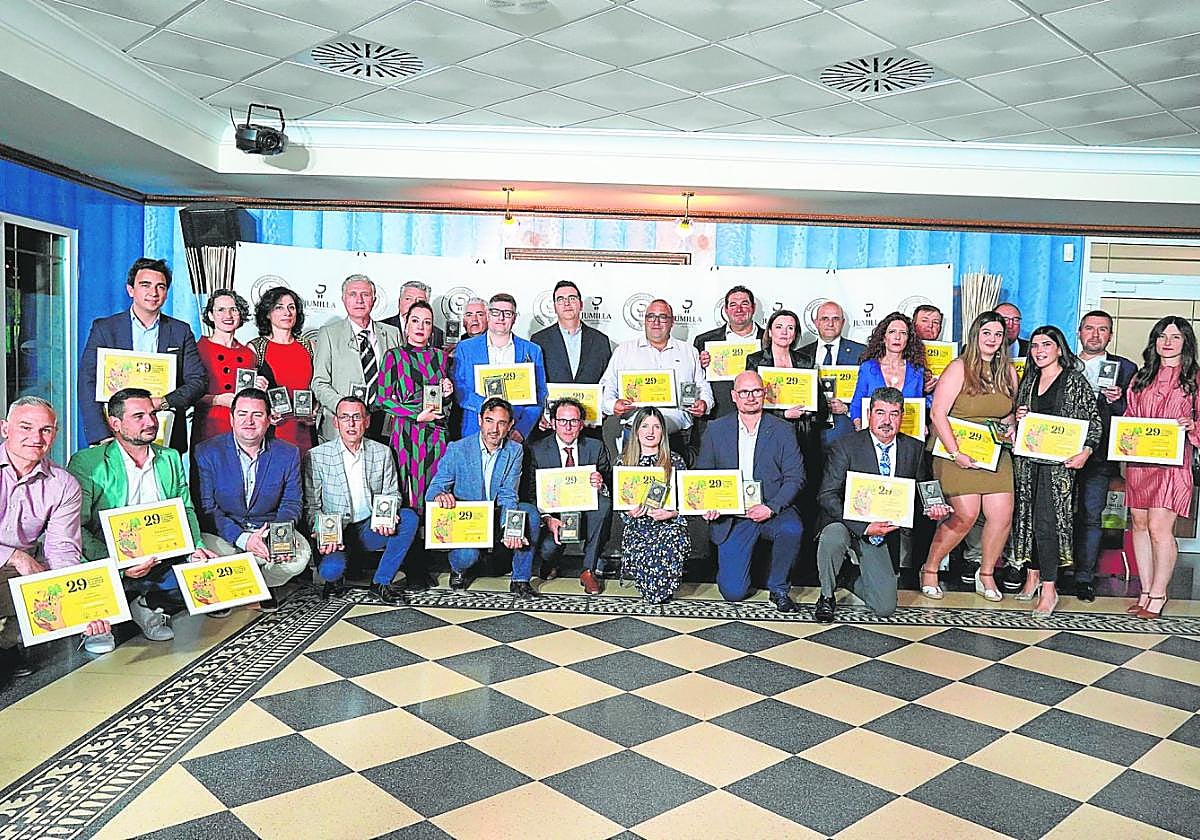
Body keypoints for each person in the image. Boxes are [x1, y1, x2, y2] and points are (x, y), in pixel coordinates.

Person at [69, 389, 214, 650]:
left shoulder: (169, 458)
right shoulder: (87, 463)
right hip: (110, 557)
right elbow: (76, 528)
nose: (150, 422)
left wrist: (197, 546)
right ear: (115, 424)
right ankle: (103, 617)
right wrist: (119, 565)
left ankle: (145, 604)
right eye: (139, 416)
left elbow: (186, 509)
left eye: (153, 413)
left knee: (210, 578)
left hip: (162, 555)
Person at [814, 387, 952, 622]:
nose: (886, 421)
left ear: (902, 417)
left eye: (894, 414)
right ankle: (826, 596)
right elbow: (827, 495)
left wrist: (934, 507)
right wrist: (863, 526)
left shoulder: (914, 448)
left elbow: (921, 491)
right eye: (880, 413)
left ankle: (846, 576)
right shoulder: (846, 446)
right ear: (869, 414)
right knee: (833, 536)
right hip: (847, 523)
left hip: (884, 530)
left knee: (885, 607)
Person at [0, 398, 106, 683]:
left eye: (45, 430)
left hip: (16, 571)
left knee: (47, 579)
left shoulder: (63, 484)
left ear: (55, 435)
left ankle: (8, 646)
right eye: (26, 427)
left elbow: (63, 549)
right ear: (4, 429)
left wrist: (80, 607)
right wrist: (15, 556)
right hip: (15, 561)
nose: (36, 438)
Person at [919, 311, 1017, 602]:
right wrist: (956, 453)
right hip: (955, 449)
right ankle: (931, 567)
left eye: (998, 335)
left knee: (1002, 514)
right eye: (987, 333)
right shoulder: (958, 367)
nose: (992, 339)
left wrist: (1010, 429)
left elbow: (1007, 413)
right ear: (976, 336)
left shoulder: (1008, 372)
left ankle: (985, 574)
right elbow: (938, 413)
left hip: (993, 452)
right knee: (966, 514)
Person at [1010, 326, 1102, 617]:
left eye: (1046, 345)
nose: (1039, 350)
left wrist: (1085, 452)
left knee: (1048, 524)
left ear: (1060, 349)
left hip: (1059, 468)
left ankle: (1050, 589)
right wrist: (1019, 416)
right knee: (1028, 521)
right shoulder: (1030, 379)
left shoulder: (1074, 381)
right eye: (1035, 345)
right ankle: (1032, 576)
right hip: (1028, 465)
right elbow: (1019, 417)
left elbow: (1094, 422)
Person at [696, 370, 805, 612]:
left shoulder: (782, 429)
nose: (750, 397)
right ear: (734, 396)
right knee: (733, 593)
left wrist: (771, 507)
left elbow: (795, 477)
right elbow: (702, 475)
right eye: (744, 392)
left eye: (756, 391)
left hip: (771, 506)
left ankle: (778, 588)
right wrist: (709, 504)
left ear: (764, 393)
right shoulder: (716, 429)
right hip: (733, 515)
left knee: (792, 528)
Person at [193, 388, 309, 611]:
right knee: (203, 556)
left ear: (268, 420)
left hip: (266, 529)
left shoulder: (288, 453)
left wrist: (274, 536)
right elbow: (206, 507)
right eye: (242, 414)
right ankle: (239, 587)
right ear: (231, 418)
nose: (249, 421)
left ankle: (257, 585)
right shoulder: (206, 452)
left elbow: (292, 503)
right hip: (225, 533)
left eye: (257, 415)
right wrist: (242, 539)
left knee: (299, 557)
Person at [77, 258, 206, 453]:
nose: (153, 293)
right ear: (131, 290)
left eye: (160, 287)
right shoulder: (105, 328)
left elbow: (198, 381)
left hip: (165, 432)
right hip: (115, 434)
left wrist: (162, 401)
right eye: (145, 285)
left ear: (166, 293)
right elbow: (87, 381)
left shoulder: (180, 331)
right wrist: (100, 434)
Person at [304, 396, 419, 605]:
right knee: (331, 571)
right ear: (335, 422)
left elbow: (392, 493)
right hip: (337, 532)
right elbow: (312, 506)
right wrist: (320, 530)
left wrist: (389, 516)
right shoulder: (317, 456)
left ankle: (381, 583)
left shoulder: (382, 452)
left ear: (367, 421)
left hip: (370, 528)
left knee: (409, 518)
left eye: (357, 417)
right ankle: (335, 578)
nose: (351, 423)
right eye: (345, 417)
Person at [1124, 316, 1200, 619]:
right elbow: (1130, 414)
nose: (1167, 342)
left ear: (1186, 343)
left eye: (1175, 337)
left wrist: (1192, 424)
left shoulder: (1194, 379)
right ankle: (1144, 591)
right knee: (1139, 525)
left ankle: (1158, 594)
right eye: (1162, 336)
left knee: (1159, 528)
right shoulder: (1142, 377)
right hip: (1140, 461)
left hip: (1172, 463)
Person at [425, 398, 541, 597]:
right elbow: (433, 489)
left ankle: (520, 579)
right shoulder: (457, 449)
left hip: (495, 514)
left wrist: (509, 528)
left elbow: (508, 493)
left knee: (529, 513)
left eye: (501, 423)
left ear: (510, 425)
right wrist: (440, 496)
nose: (494, 429)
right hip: (467, 520)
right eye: (489, 420)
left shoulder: (515, 450)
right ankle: (459, 570)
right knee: (467, 556)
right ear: (479, 420)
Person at [377, 300, 452, 589]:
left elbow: (445, 399)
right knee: (408, 497)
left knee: (433, 495)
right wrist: (413, 414)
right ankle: (409, 564)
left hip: (435, 436)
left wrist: (448, 391)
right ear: (405, 325)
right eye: (415, 321)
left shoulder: (441, 357)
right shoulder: (394, 357)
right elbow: (382, 399)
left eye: (426, 322)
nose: (421, 327)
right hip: (406, 435)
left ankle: (426, 561)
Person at [1072, 309, 1137, 601]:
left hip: (1100, 457)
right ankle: (1053, 571)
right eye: (1089, 328)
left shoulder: (1126, 368)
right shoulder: (1064, 363)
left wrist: (1120, 400)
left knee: (1091, 515)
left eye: (1102, 329)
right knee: (1057, 514)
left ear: (1110, 335)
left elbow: (1134, 416)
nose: (1095, 335)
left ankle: (1084, 577)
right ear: (1079, 333)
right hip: (1062, 451)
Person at [599, 299, 712, 466]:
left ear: (672, 321)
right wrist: (612, 405)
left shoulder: (689, 351)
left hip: (679, 437)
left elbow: (703, 386)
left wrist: (704, 404)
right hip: (636, 437)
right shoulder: (624, 351)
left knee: (676, 489)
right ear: (644, 320)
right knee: (635, 488)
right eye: (651, 316)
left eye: (662, 317)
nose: (656, 322)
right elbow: (607, 388)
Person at [523, 398, 612, 593]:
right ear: (553, 423)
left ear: (581, 424)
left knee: (604, 503)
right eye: (562, 421)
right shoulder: (537, 450)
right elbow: (530, 493)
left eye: (573, 421)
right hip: (555, 516)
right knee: (548, 549)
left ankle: (588, 570)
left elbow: (609, 485)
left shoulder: (595, 447)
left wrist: (601, 484)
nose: (568, 427)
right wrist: (547, 519)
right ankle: (549, 563)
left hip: (586, 512)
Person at [310, 274, 404, 444]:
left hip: (384, 425)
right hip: (344, 425)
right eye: (353, 294)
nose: (359, 300)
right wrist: (344, 408)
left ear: (374, 300)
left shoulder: (392, 333)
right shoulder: (329, 334)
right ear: (343, 299)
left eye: (365, 294)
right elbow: (319, 383)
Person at [617, 407, 690, 604]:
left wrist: (672, 513)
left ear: (663, 432)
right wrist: (629, 512)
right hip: (639, 526)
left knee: (671, 538)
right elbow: (620, 506)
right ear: (636, 431)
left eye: (656, 427)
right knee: (650, 589)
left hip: (668, 526)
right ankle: (653, 586)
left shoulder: (675, 461)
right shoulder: (623, 462)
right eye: (645, 426)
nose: (650, 432)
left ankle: (663, 586)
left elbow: (686, 503)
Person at [452, 293, 547, 442]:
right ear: (488, 315)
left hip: (515, 433)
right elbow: (459, 388)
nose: (501, 318)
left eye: (507, 313)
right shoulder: (465, 348)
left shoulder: (532, 350)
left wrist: (522, 429)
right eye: (496, 312)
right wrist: (487, 407)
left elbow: (539, 393)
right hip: (474, 431)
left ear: (514, 318)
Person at [248, 286, 318, 459]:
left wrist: (316, 411)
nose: (287, 312)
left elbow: (319, 386)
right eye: (279, 307)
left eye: (291, 307)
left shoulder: (309, 346)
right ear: (267, 313)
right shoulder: (255, 348)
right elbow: (248, 395)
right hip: (272, 431)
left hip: (305, 430)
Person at [193, 289, 269, 448]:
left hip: (243, 432)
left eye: (233, 310)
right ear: (211, 315)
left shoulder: (249, 354)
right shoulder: (197, 349)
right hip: (208, 427)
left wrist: (259, 389)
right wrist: (218, 399)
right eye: (220, 310)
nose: (228, 315)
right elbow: (185, 393)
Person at [849, 311, 930, 430]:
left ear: (909, 339)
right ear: (883, 337)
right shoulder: (868, 368)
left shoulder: (917, 371)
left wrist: (921, 425)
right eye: (892, 332)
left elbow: (918, 409)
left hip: (906, 437)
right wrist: (860, 429)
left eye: (903, 333)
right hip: (872, 437)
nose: (897, 337)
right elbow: (856, 406)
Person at [799, 300, 865, 445]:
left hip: (845, 432)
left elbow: (868, 394)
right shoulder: (801, 354)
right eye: (825, 319)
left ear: (843, 322)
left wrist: (846, 409)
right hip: (810, 433)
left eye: (835, 319)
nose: (830, 323)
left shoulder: (861, 353)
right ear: (816, 322)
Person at [694, 286, 763, 418]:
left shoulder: (770, 341)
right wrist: (700, 366)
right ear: (726, 310)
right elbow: (698, 382)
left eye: (744, 304)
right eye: (733, 305)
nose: (739, 309)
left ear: (753, 308)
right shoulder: (704, 342)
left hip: (759, 418)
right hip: (718, 417)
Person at [531, 280, 612, 385]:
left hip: (591, 401)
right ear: (554, 307)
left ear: (581, 305)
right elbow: (535, 383)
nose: (567, 303)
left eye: (572, 298)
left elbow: (609, 382)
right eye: (560, 299)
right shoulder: (539, 341)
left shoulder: (601, 341)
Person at [381, 280, 445, 347]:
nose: (413, 304)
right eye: (408, 299)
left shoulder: (437, 334)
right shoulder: (382, 327)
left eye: (420, 301)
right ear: (399, 302)